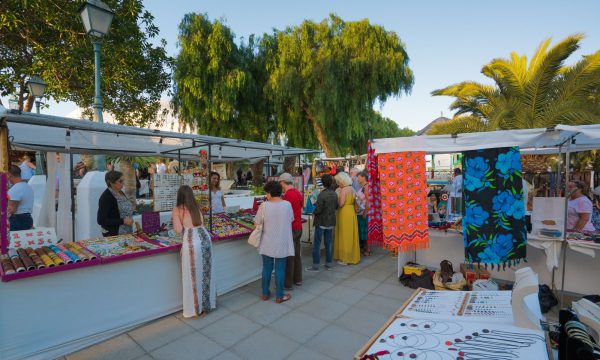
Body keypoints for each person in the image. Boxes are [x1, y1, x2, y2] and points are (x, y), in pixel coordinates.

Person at [172, 185, 216, 317]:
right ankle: (207, 305)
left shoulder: (177, 210)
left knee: (192, 276)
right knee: (206, 273)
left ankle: (195, 309)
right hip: (205, 240)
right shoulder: (196, 207)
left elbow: (178, 230)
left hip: (191, 243)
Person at [255, 181, 294, 303]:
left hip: (267, 241)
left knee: (267, 268)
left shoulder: (264, 206)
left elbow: (257, 223)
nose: (266, 195)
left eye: (266, 192)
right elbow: (291, 219)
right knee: (280, 268)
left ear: (270, 192)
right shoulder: (287, 205)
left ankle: (265, 294)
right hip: (282, 241)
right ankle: (279, 296)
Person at [305, 174, 338, 271]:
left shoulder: (322, 194)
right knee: (328, 243)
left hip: (321, 221)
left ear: (322, 183)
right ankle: (328, 264)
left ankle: (316, 265)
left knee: (317, 244)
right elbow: (336, 207)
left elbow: (318, 210)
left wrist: (313, 210)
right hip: (331, 221)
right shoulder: (334, 193)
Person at [279, 172, 303, 290]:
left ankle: (288, 283)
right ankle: (298, 279)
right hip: (298, 226)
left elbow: (285, 214)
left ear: (283, 182)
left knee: (289, 255)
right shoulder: (297, 192)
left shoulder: (288, 195)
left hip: (291, 227)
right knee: (296, 254)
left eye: (280, 182)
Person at [334, 172, 360, 265]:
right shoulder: (352, 189)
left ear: (342, 181)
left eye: (338, 181)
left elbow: (341, 204)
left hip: (344, 212)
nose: (338, 183)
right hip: (351, 212)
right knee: (350, 234)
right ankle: (351, 256)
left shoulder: (344, 190)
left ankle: (345, 259)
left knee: (344, 235)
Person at [97, 170, 134, 236]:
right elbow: (101, 220)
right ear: (111, 183)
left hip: (127, 232)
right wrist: (123, 221)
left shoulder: (120, 192)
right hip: (114, 234)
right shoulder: (106, 197)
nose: (123, 183)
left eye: (123, 180)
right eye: (120, 181)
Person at [7, 165, 34, 231]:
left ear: (9, 174)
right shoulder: (28, 187)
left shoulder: (15, 189)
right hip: (28, 218)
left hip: (17, 220)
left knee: (14, 240)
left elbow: (11, 209)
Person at [356, 171, 371, 256]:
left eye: (359, 177)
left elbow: (368, 201)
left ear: (363, 177)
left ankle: (368, 249)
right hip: (361, 212)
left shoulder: (366, 187)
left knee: (366, 231)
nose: (358, 179)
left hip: (364, 212)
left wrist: (365, 212)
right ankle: (365, 248)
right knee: (363, 231)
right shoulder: (363, 186)